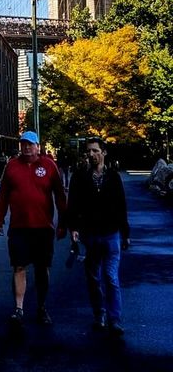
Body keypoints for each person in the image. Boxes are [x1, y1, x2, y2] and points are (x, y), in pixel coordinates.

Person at [0, 130, 67, 328]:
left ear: (38, 146)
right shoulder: (12, 166)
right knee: (18, 266)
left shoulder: (48, 165)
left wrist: (64, 223)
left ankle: (42, 307)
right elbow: (3, 195)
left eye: (30, 144)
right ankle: (19, 308)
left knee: (42, 269)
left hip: (43, 227)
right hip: (19, 228)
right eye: (23, 144)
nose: (26, 147)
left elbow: (60, 196)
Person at [66, 136, 130, 335]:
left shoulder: (113, 177)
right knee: (93, 278)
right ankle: (99, 314)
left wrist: (125, 233)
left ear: (104, 152)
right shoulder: (80, 176)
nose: (91, 154)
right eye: (89, 151)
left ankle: (115, 318)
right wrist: (73, 227)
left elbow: (121, 206)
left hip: (111, 234)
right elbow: (73, 203)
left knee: (111, 278)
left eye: (95, 150)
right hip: (90, 234)